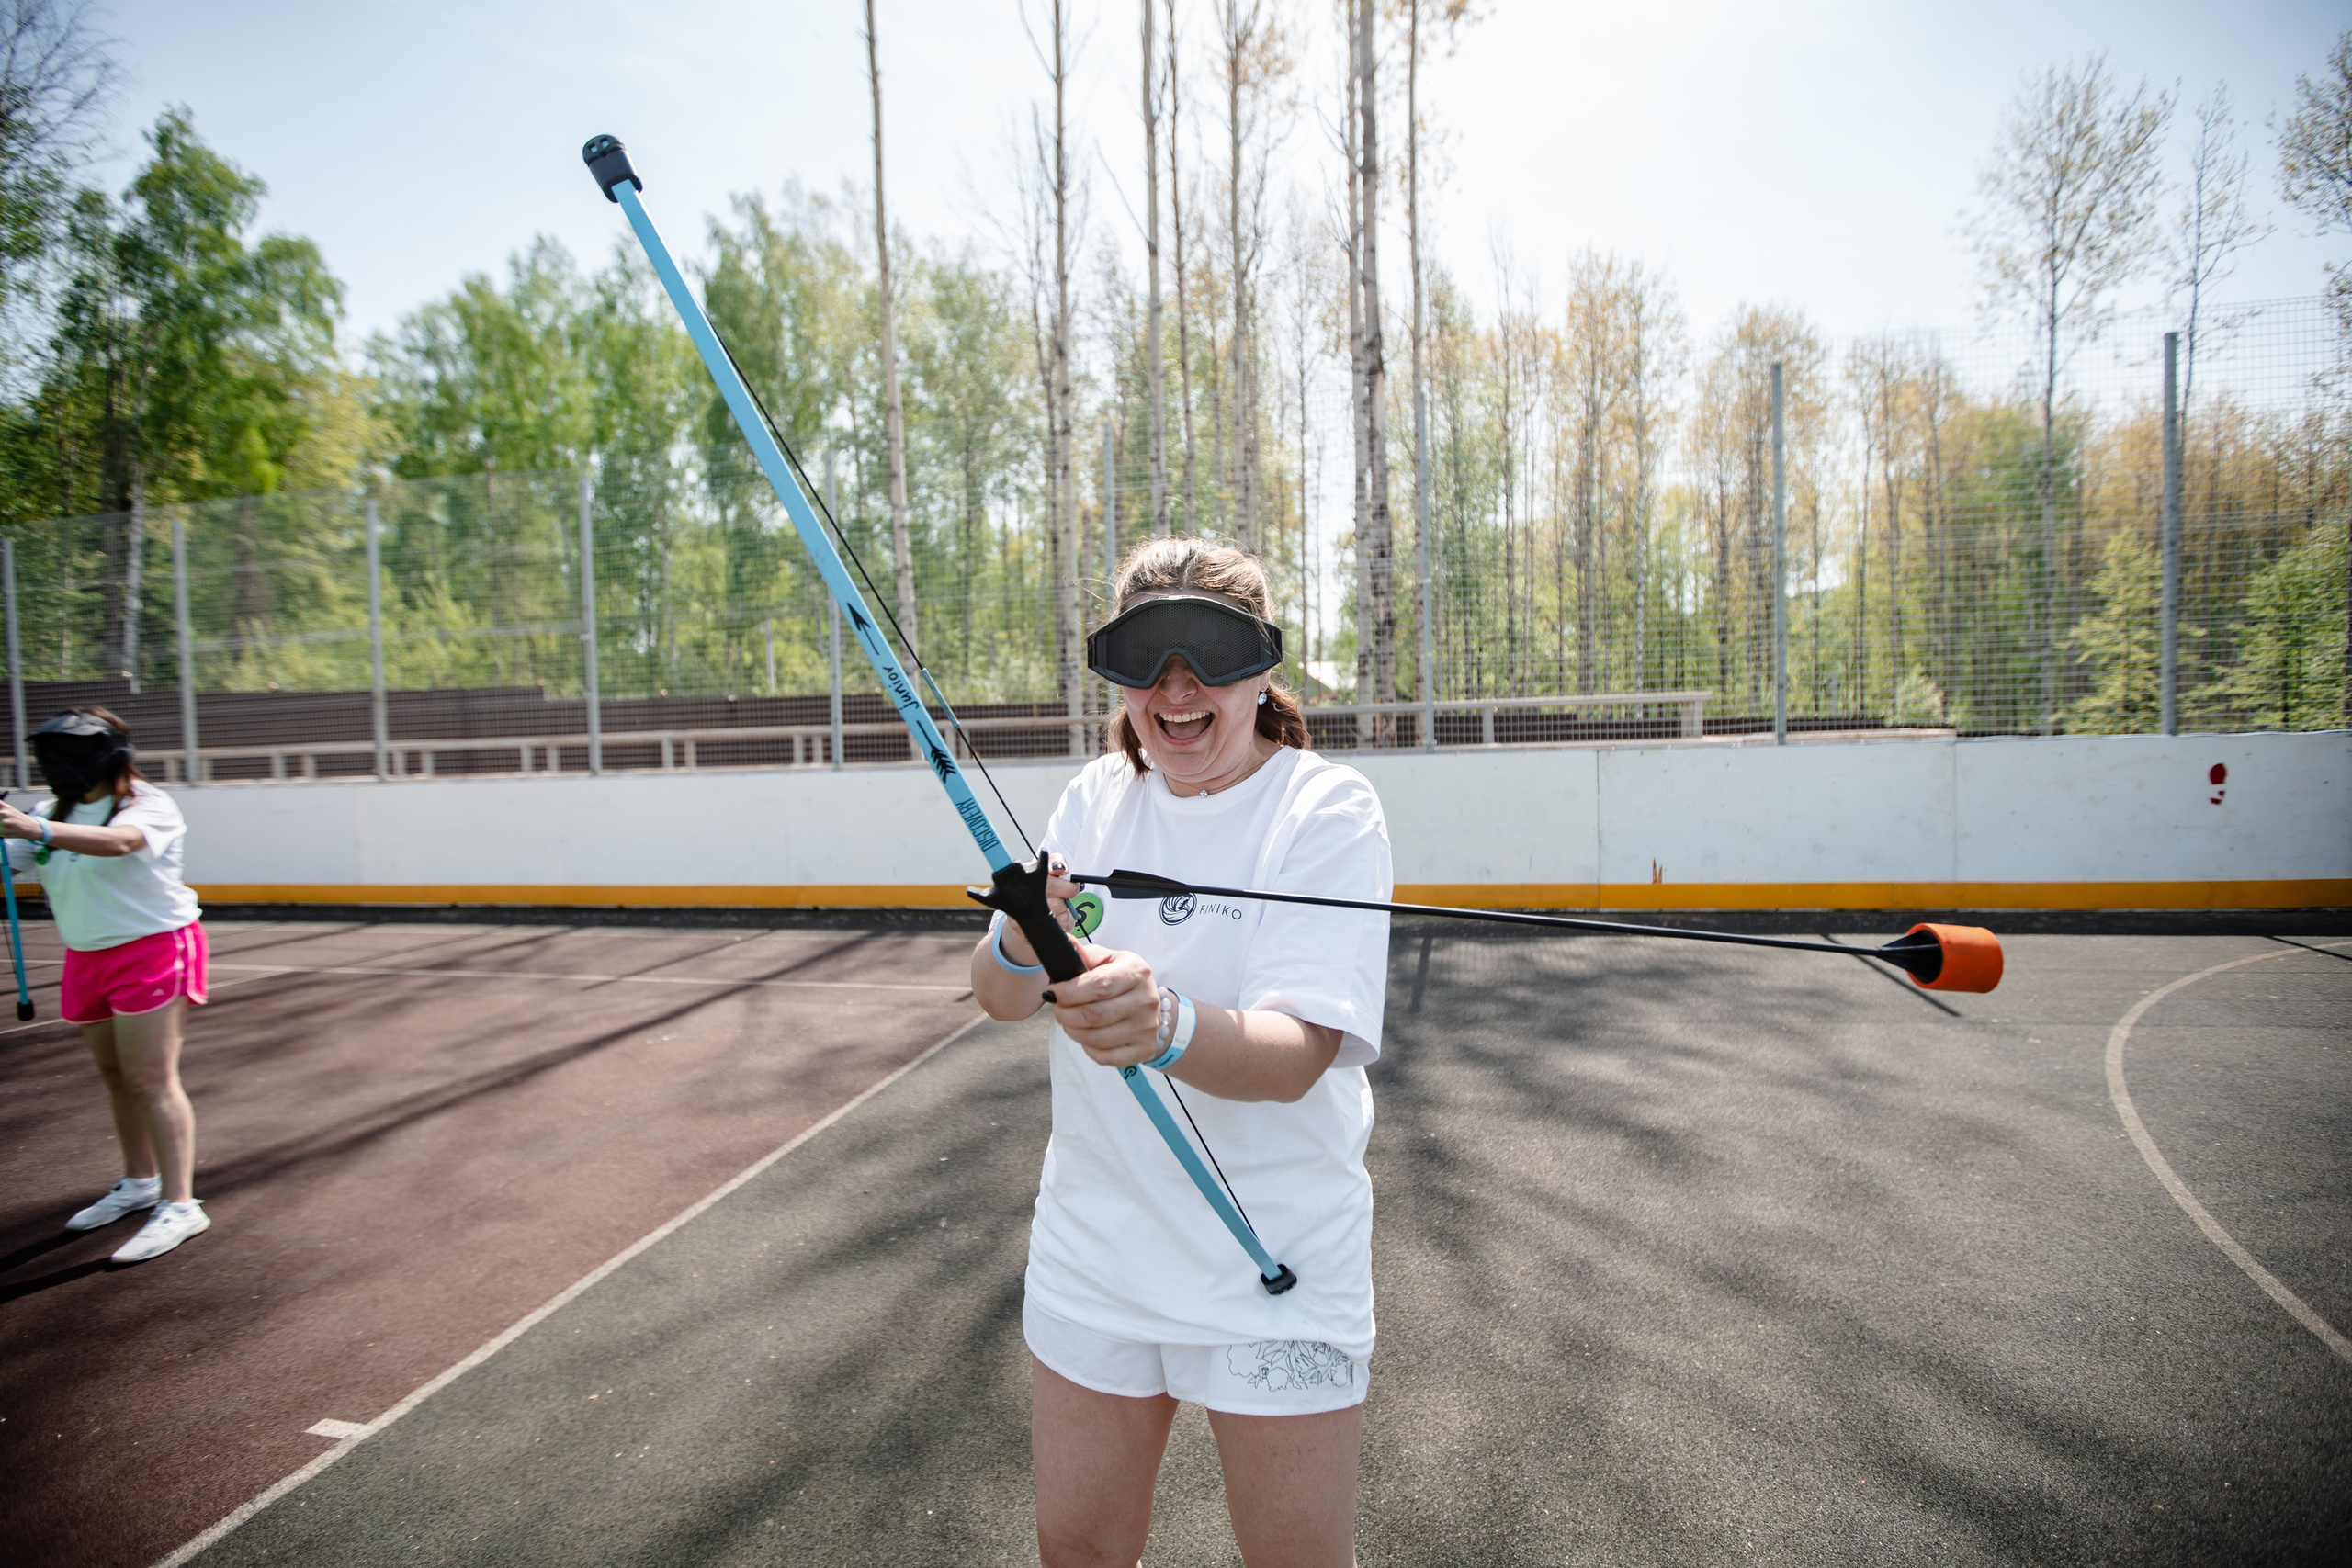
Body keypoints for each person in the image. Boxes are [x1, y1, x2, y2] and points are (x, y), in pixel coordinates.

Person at [971, 538, 1392, 1568]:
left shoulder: (1325, 808)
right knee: (1077, 1553)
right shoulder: (1090, 800)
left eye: (1209, 655)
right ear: (1117, 677)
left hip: (1276, 1263)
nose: (1178, 690)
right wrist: (1023, 935)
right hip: (1094, 1253)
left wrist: (1170, 1026)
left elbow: (1296, 1054)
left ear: (1260, 671)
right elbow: (997, 999)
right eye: (1146, 661)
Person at [2, 707, 211, 1264]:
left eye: (66, 755)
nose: (53, 766)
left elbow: (120, 843)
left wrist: (37, 828)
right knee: (116, 1077)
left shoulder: (149, 805)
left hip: (154, 949)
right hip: (87, 954)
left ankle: (181, 1205)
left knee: (151, 1079)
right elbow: (14, 856)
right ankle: (139, 1183)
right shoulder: (52, 809)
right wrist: (24, 830)